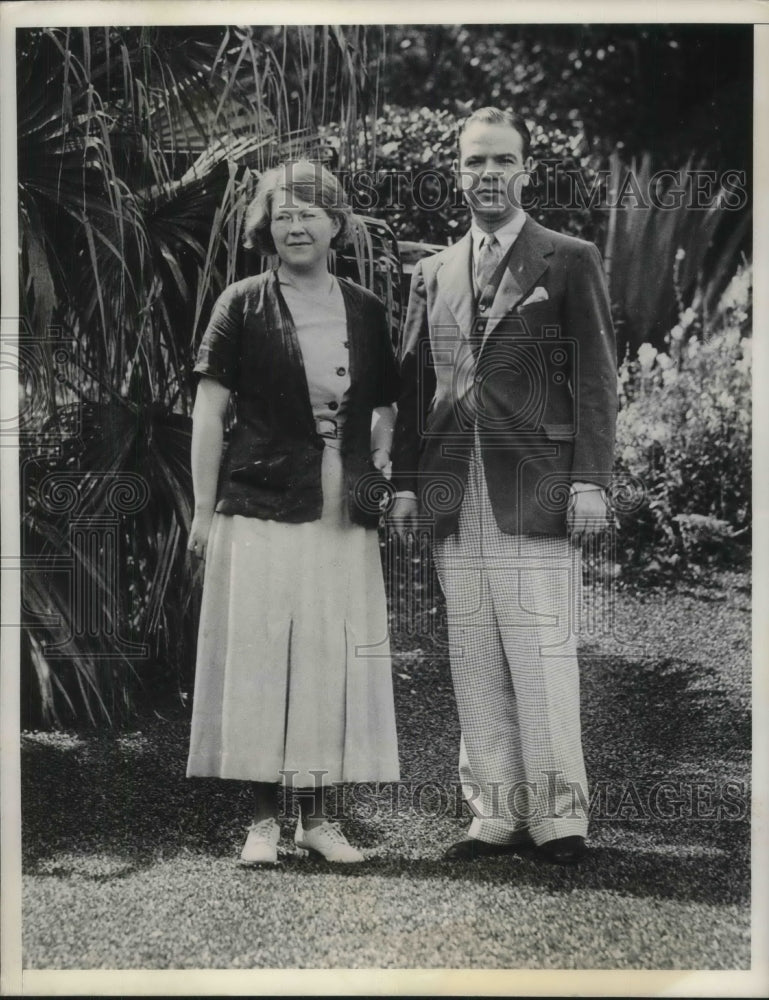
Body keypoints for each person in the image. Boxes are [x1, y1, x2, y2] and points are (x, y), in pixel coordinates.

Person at [390, 107, 617, 865]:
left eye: (502, 161)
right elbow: (416, 381)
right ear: (456, 173)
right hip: (456, 485)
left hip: (537, 482)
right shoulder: (433, 272)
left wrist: (589, 479)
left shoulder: (566, 258)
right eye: (474, 162)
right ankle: (494, 813)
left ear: (525, 170)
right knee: (473, 648)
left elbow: (593, 382)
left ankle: (557, 819)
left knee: (541, 646)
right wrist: (407, 485)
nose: (488, 174)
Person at [186, 160, 400, 866]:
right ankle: (259, 823)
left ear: (336, 222)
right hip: (259, 500)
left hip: (343, 502)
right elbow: (210, 411)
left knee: (326, 650)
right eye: (282, 215)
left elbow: (385, 405)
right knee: (259, 649)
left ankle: (316, 819)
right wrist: (201, 512)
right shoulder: (241, 303)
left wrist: (381, 461)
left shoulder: (366, 308)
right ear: (264, 229)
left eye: (310, 212)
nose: (297, 225)